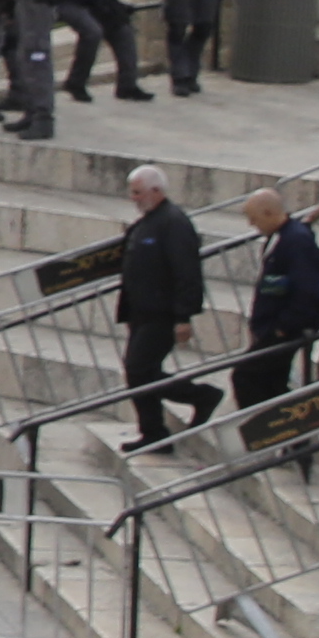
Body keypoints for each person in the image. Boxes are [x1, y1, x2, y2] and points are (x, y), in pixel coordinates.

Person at [114, 165, 207, 448]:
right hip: (142, 314)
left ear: (156, 191)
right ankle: (154, 431)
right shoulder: (146, 223)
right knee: (141, 372)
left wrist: (183, 316)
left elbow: (186, 271)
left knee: (140, 370)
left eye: (138, 192)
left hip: (162, 314)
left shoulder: (173, 223)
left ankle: (197, 397)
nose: (134, 198)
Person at [234, 185, 319, 423]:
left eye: (254, 218)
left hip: (284, 330)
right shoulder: (281, 238)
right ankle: (291, 434)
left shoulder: (296, 241)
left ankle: (270, 432)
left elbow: (307, 290)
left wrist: (283, 327)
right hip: (272, 326)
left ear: (269, 213)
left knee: (246, 376)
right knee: (272, 383)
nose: (253, 225)